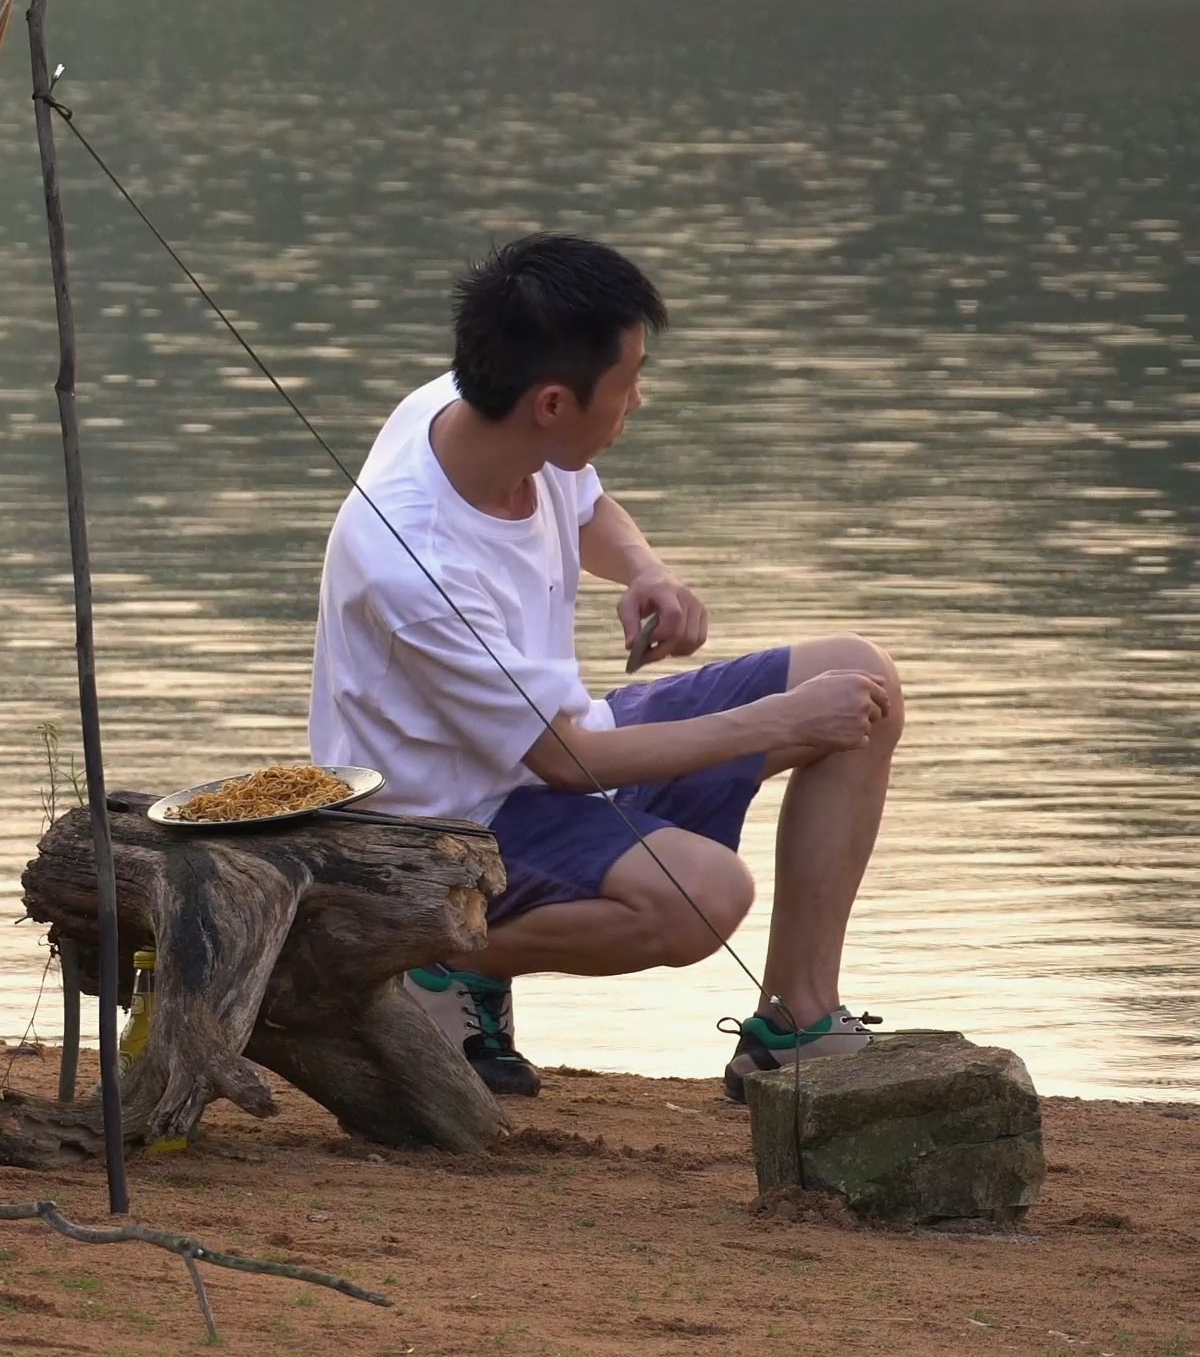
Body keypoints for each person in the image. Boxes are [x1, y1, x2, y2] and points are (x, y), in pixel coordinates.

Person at [308, 233, 901, 1101]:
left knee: (860, 676)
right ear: (553, 402)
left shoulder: (477, 402)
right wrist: (783, 724)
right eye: (628, 384)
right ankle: (423, 957)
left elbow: (586, 504)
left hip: (551, 744)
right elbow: (567, 761)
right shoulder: (415, 564)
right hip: (450, 818)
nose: (639, 401)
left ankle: (797, 1021)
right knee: (702, 896)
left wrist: (648, 571)